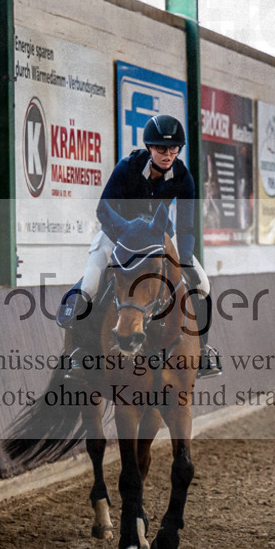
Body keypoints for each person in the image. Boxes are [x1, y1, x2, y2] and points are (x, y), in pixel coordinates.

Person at [64, 114, 222, 381]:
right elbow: (104, 208)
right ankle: (80, 352)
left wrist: (183, 259)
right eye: (161, 149)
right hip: (118, 236)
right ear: (150, 148)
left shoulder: (184, 178)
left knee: (203, 285)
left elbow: (186, 226)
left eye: (173, 149)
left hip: (159, 241)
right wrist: (127, 231)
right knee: (90, 285)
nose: (168, 154)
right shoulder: (127, 167)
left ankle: (203, 351)